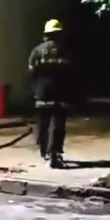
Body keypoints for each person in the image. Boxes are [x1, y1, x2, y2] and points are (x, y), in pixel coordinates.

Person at [27, 19, 72, 169]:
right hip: (61, 93)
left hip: (42, 93)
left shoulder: (37, 51)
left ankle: (44, 151)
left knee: (43, 124)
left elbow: (31, 72)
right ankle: (55, 153)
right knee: (58, 125)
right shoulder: (65, 50)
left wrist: (35, 89)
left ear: (46, 34)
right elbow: (72, 72)